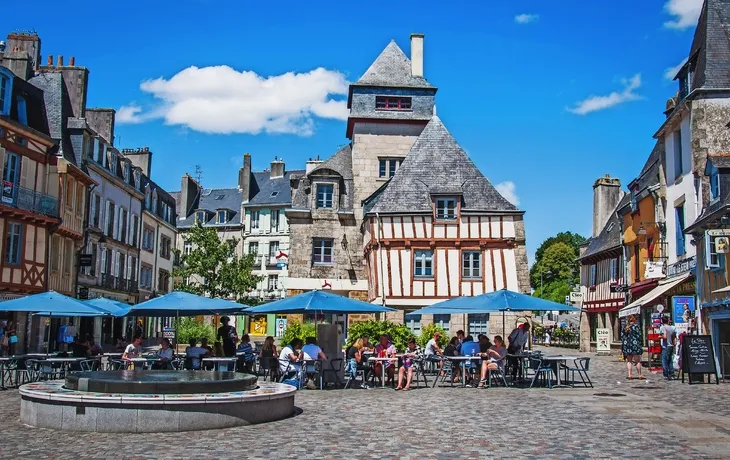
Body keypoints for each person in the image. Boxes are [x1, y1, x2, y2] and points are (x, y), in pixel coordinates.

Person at [621, 315, 644, 380]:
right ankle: (639, 375)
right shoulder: (636, 327)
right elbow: (639, 336)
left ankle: (629, 375)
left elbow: (622, 337)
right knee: (637, 361)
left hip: (627, 345)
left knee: (629, 361)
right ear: (634, 320)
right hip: (635, 345)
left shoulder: (625, 327)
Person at [659, 316, 677, 380]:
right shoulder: (672, 328)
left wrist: (660, 336)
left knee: (664, 361)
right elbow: (674, 337)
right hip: (671, 345)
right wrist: (674, 344)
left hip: (665, 346)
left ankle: (666, 374)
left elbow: (665, 336)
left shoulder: (663, 327)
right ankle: (672, 374)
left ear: (662, 321)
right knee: (670, 360)